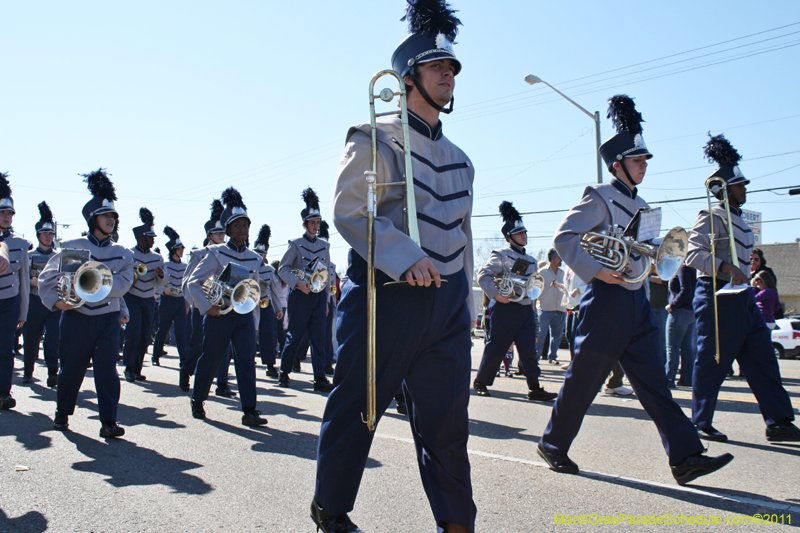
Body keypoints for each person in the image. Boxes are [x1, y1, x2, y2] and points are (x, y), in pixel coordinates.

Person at [313, 2, 476, 530]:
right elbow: (349, 211)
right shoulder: (373, 136)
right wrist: (406, 258)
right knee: (358, 409)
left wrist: (467, 302)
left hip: (447, 304)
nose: (447, 75)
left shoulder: (462, 159)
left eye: (451, 68)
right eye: (436, 67)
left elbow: (464, 236)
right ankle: (331, 508)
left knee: (447, 424)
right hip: (386, 295)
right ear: (408, 78)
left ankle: (457, 522)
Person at [537, 95, 733, 486]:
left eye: (645, 159)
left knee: (655, 383)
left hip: (636, 301)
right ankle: (552, 444)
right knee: (584, 380)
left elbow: (646, 251)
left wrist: (656, 264)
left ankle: (685, 457)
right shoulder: (599, 196)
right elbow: (565, 237)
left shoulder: (642, 204)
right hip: (606, 302)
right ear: (618, 164)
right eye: (637, 159)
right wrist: (598, 271)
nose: (644, 165)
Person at [687, 133, 799, 442]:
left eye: (743, 184)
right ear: (723, 190)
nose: (744, 188)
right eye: (738, 185)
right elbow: (692, 254)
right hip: (717, 293)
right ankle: (700, 421)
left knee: (763, 360)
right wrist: (726, 267)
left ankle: (778, 422)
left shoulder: (742, 221)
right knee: (713, 361)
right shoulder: (711, 215)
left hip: (744, 297)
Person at [39, 168, 134, 437]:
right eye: (105, 216)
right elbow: (47, 278)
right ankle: (62, 413)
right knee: (72, 368)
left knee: (107, 370)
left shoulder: (122, 252)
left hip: (108, 318)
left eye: (113, 217)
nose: (111, 220)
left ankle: (108, 422)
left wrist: (99, 285)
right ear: (93, 219)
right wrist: (57, 302)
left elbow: (124, 284)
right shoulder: (75, 246)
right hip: (76, 315)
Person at [185, 187, 267, 427]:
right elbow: (193, 282)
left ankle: (249, 410)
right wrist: (206, 307)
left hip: (243, 315)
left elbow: (254, 292)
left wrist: (254, 322)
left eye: (245, 225)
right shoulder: (216, 252)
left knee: (246, 361)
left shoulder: (255, 258)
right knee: (211, 358)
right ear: (228, 229)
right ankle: (198, 399)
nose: (242, 230)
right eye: (237, 226)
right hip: (218, 314)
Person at [473, 201, 557, 401]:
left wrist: (533, 309)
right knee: (497, 347)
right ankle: (481, 382)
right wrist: (496, 295)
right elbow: (483, 275)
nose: (524, 235)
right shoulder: (501, 255)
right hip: (505, 308)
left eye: (524, 232)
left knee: (529, 351)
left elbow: (532, 288)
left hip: (526, 309)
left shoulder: (533, 260)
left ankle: (534, 387)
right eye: (519, 233)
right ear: (509, 237)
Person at [276, 187, 334, 392]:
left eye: (318, 222)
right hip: (300, 296)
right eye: (312, 223)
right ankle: (284, 372)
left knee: (319, 338)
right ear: (305, 224)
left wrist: (326, 301)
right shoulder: (295, 244)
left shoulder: (325, 246)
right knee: (294, 335)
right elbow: (283, 269)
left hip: (318, 297)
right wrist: (297, 283)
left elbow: (327, 276)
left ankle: (319, 377)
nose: (316, 226)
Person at [180, 200, 232, 394]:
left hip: (223, 305)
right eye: (218, 233)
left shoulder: (229, 253)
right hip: (201, 306)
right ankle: (186, 370)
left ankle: (222, 384)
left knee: (224, 345)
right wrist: (197, 303)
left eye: (223, 233)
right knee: (198, 345)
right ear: (209, 235)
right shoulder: (199, 254)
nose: (222, 236)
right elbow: (187, 282)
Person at [122, 207, 166, 382]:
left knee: (144, 335)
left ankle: (137, 368)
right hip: (132, 297)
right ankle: (128, 367)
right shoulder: (129, 254)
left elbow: (163, 282)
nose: (153, 240)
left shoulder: (157, 257)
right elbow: (122, 276)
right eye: (150, 237)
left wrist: (161, 275)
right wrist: (131, 278)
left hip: (148, 298)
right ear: (141, 237)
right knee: (133, 333)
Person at [0, 173, 30, 410]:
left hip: (9, 302)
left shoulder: (21, 243)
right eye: (2, 212)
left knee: (5, 349)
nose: (6, 217)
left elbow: (24, 281)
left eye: (9, 213)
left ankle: (4, 392)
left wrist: (23, 311)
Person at [22, 201, 61, 387]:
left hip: (53, 302)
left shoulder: (59, 256)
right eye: (45, 233)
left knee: (53, 339)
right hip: (34, 300)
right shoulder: (28, 255)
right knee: (31, 339)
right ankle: (28, 372)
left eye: (51, 234)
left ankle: (53, 371)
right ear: (38, 235)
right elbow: (22, 278)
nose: (48, 236)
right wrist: (34, 282)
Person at [152, 226, 188, 366]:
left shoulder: (185, 266)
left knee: (181, 331)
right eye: (179, 249)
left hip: (180, 301)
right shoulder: (165, 265)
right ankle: (156, 355)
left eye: (182, 249)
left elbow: (186, 286)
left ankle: (183, 359)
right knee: (162, 330)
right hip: (167, 301)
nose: (182, 251)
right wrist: (163, 290)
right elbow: (156, 284)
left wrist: (186, 303)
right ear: (173, 250)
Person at [253, 224, 283, 378]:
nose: (260, 256)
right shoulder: (247, 267)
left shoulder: (270, 270)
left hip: (265, 305)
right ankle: (248, 360)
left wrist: (278, 308)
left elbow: (274, 292)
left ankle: (270, 364)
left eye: (262, 254)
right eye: (257, 253)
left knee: (269, 336)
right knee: (249, 335)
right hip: (250, 306)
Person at [664, 264, 696, 388]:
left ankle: (668, 379)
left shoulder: (683, 269)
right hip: (691, 311)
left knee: (672, 348)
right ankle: (687, 379)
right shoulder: (693, 268)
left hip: (680, 312)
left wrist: (673, 305)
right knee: (687, 347)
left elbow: (685, 290)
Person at [534, 249, 567, 365]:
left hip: (561, 309)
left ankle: (553, 356)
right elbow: (535, 289)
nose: (561, 259)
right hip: (544, 309)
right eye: (559, 257)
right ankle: (535, 357)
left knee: (557, 336)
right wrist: (533, 305)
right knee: (540, 334)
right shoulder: (542, 272)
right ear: (553, 258)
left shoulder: (563, 273)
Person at [648, 266, 669, 366]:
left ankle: (662, 364)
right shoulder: (647, 266)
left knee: (662, 339)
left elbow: (665, 281)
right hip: (649, 306)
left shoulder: (665, 267)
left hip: (662, 307)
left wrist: (648, 277)